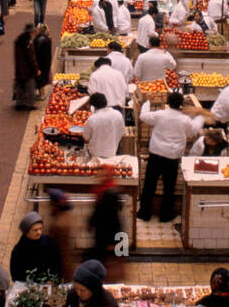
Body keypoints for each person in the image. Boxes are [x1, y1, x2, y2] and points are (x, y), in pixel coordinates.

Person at [138, 92, 203, 222]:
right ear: (181, 105)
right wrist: (200, 116)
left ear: (167, 102)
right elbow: (193, 131)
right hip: (172, 157)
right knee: (169, 187)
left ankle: (145, 213)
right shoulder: (185, 120)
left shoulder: (160, 115)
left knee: (150, 185)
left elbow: (143, 116)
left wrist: (147, 103)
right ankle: (165, 214)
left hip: (156, 154)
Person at [10, 212, 63, 282]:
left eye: (40, 229)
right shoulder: (18, 251)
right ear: (27, 232)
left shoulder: (49, 243)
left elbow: (57, 264)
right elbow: (16, 275)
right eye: (35, 230)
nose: (39, 232)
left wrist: (52, 280)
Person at [81, 92, 126, 159]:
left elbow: (86, 137)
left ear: (93, 106)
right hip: (112, 151)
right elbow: (122, 132)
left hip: (95, 153)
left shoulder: (92, 119)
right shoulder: (118, 114)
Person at [12, 23, 41, 110]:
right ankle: (30, 104)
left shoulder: (19, 40)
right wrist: (36, 70)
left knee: (20, 85)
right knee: (30, 86)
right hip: (27, 69)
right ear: (31, 32)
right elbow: (31, 58)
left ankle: (19, 103)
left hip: (19, 67)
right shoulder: (28, 43)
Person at [33, 23, 54, 95]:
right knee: (42, 79)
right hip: (46, 63)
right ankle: (41, 94)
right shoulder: (47, 38)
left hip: (41, 63)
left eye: (37, 29)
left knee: (40, 80)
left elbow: (37, 52)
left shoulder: (40, 40)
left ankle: (42, 95)